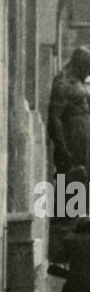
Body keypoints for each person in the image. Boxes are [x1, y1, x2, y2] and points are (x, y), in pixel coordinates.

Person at [47, 47, 90, 189]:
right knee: (69, 188)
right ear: (80, 64)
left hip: (81, 146)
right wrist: (62, 149)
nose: (88, 72)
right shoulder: (63, 82)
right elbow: (54, 118)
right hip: (70, 145)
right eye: (87, 67)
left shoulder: (78, 82)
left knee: (80, 190)